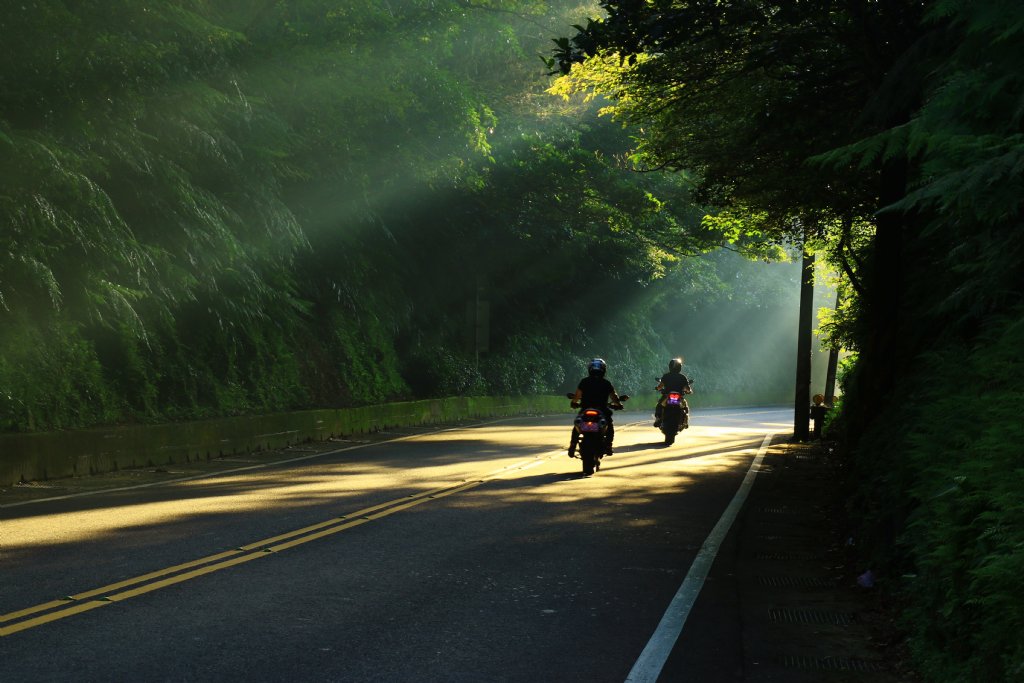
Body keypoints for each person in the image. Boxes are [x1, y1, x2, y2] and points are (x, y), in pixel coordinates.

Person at [568, 357, 624, 458]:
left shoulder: (584, 381)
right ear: (604, 370)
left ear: (590, 369)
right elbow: (614, 397)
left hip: (585, 409)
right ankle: (608, 445)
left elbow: (577, 396)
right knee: (609, 425)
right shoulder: (606, 383)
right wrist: (619, 405)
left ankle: (572, 445)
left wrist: (573, 403)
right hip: (602, 410)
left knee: (577, 425)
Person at [653, 357, 692, 428]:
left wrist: (657, 388)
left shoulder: (666, 376)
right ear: (680, 367)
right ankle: (685, 421)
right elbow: (687, 388)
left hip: (667, 395)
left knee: (659, 405)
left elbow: (660, 386)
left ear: (670, 367)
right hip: (679, 396)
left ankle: (658, 419)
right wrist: (689, 391)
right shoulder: (682, 377)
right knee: (685, 406)